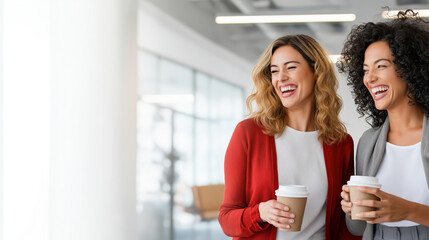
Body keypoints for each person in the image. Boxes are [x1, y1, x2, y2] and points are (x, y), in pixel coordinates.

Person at [218, 34, 359, 240]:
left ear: (316, 71)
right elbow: (227, 218)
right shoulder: (249, 133)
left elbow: (343, 224)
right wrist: (260, 212)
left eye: (291, 67)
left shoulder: (341, 143)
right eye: (274, 71)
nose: (280, 78)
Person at [338, 10, 429, 240]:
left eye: (381, 66)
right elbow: (358, 229)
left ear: (409, 68)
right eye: (366, 70)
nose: (369, 78)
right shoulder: (368, 142)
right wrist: (352, 209)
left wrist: (409, 210)